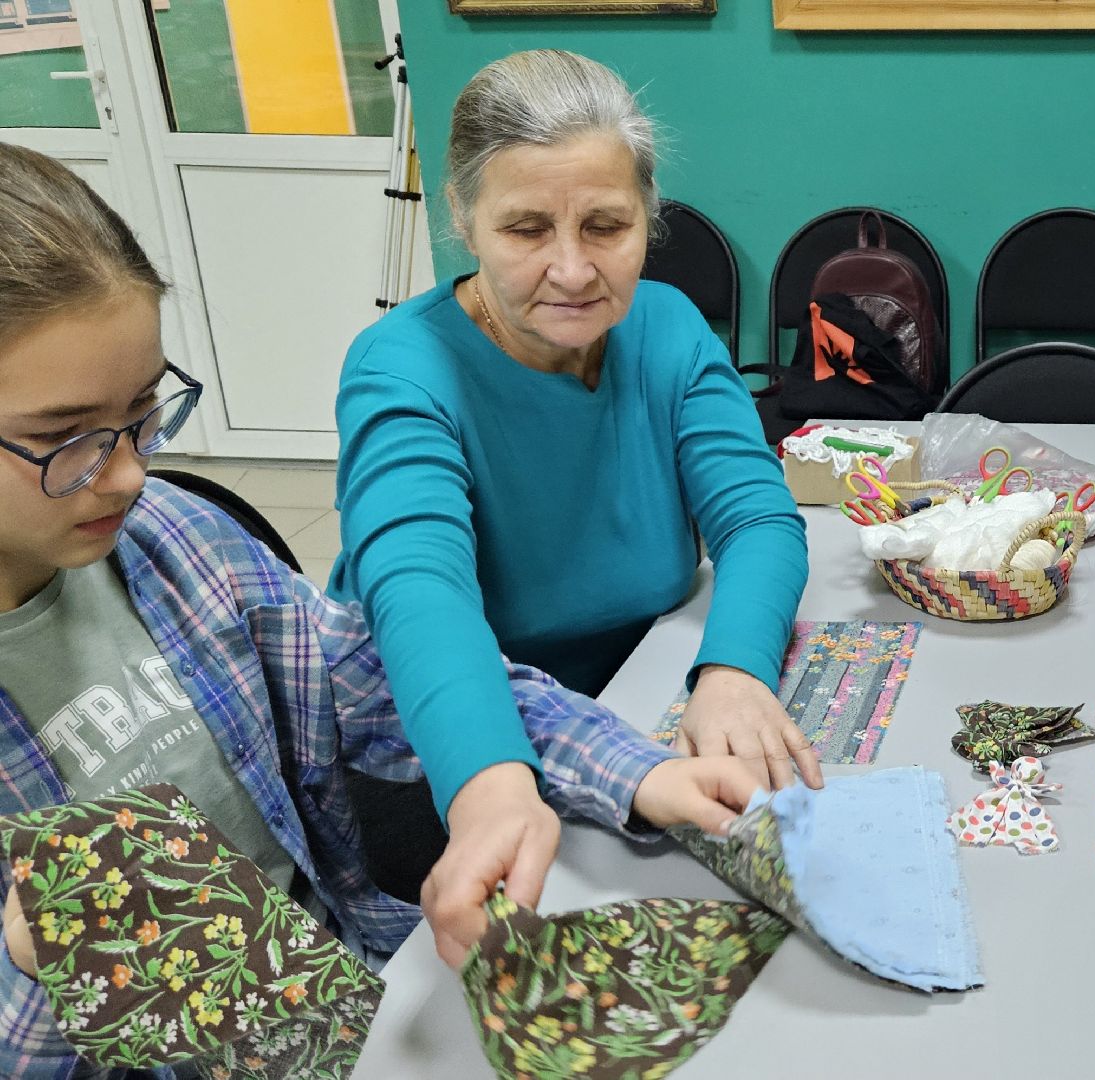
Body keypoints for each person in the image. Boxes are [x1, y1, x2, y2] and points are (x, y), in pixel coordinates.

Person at [0, 140, 767, 1073]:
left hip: (354, 1007)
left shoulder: (175, 542)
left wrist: (632, 772)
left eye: (143, 412)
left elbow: (373, 672)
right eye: (65, 438)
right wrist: (37, 971)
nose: (129, 471)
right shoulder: (408, 368)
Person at [329, 50, 816, 963]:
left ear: (648, 218)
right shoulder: (400, 366)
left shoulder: (666, 326)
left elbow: (757, 516)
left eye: (606, 225)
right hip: (455, 741)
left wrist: (735, 671)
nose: (572, 269)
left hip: (634, 707)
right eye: (524, 228)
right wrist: (489, 784)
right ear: (463, 220)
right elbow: (419, 591)